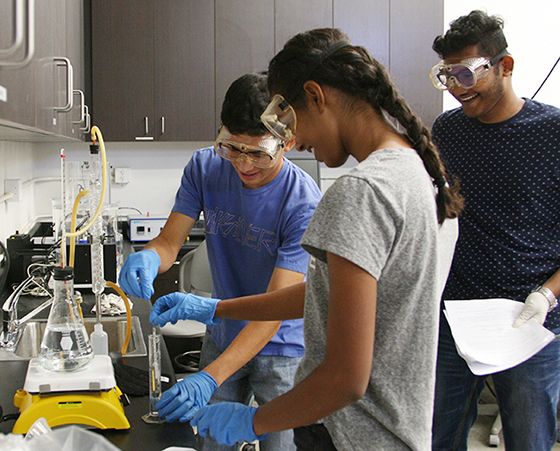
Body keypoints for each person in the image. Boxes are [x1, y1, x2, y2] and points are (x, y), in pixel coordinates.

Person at [150, 28, 462, 450]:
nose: (299, 143)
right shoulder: (416, 173)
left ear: (315, 97)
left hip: (352, 432)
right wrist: (217, 308)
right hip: (398, 429)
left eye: (289, 122)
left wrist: (256, 421)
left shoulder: (360, 193)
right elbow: (324, 295)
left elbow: (344, 379)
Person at [119, 72, 322, 451]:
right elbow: (167, 243)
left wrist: (208, 378)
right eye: (232, 148)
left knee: (284, 444)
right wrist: (148, 258)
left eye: (258, 152)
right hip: (223, 330)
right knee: (213, 443)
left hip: (282, 347)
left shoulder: (303, 202)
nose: (243, 165)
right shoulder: (205, 167)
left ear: (287, 142)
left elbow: (276, 308)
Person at [429, 10, 560, 451]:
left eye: (467, 73)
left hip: (528, 320)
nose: (458, 88)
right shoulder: (447, 130)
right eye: (448, 76)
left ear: (505, 66)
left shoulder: (553, 132)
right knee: (433, 437)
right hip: (455, 318)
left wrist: (547, 295)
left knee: (529, 440)